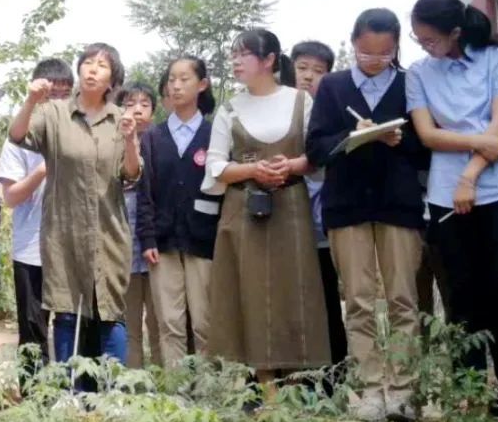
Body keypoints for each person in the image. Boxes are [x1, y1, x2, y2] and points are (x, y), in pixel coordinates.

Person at [407, 0, 498, 417]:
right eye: (418, 39)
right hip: (446, 196)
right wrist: (478, 141)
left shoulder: (496, 57)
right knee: (462, 292)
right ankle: (469, 386)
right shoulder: (419, 73)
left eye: (429, 39)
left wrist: (469, 174)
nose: (423, 46)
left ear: (455, 32)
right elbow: (428, 135)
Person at [307, 10, 429, 422]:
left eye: (385, 52)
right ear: (353, 42)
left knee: (402, 299)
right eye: (365, 51)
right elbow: (315, 149)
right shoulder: (333, 86)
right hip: (347, 206)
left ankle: (404, 390)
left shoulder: (410, 81)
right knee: (358, 301)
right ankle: (371, 389)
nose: (375, 60)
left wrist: (399, 138)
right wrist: (351, 138)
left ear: (397, 46)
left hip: (398, 204)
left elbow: (426, 147)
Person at [203, 29, 331, 384]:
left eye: (244, 54)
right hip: (243, 209)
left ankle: (298, 383)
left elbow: (317, 158)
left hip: (291, 207)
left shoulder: (299, 101)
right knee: (248, 292)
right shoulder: (229, 108)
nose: (236, 61)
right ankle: (261, 384)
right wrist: (252, 170)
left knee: (296, 289)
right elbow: (214, 166)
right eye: (234, 55)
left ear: (270, 60)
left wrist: (290, 167)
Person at [8, 43, 140, 371]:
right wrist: (30, 102)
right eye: (88, 63)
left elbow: (132, 174)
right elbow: (17, 134)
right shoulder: (53, 114)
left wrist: (129, 139)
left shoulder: (120, 120)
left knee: (110, 311)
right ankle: (71, 396)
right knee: (66, 311)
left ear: (113, 80)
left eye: (102, 66)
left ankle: (113, 395)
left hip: (109, 233)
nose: (92, 69)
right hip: (63, 231)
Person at [138, 55, 221, 367]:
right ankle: (177, 393)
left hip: (205, 241)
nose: (176, 85)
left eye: (184, 79)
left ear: (202, 85)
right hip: (163, 243)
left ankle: (210, 390)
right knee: (169, 322)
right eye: (171, 79)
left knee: (205, 321)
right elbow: (145, 193)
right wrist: (147, 239)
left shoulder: (215, 134)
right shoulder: (152, 137)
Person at [0, 58, 74, 385]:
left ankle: (71, 389)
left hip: (71, 247)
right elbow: (11, 197)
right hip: (31, 248)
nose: (57, 100)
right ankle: (33, 394)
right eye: (50, 93)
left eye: (64, 94)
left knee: (70, 321)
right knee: (33, 326)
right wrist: (42, 170)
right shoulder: (19, 136)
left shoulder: (79, 131)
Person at [290, 40, 347, 367]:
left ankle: (334, 371)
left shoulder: (335, 109)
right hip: (289, 222)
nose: (309, 77)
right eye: (302, 69)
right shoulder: (280, 108)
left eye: (318, 71)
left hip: (324, 223)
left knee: (326, 297)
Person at [116, 82, 160, 368]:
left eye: (145, 104)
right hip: (122, 241)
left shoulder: (161, 141)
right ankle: (133, 382)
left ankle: (162, 379)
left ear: (154, 113)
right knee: (129, 318)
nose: (138, 109)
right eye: (131, 103)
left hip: (155, 243)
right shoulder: (112, 142)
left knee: (159, 319)